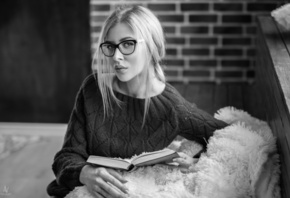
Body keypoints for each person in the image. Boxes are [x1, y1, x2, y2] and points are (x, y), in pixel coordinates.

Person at [47, 5, 228, 198]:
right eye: (110, 46)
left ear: (152, 46)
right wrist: (84, 173)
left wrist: (196, 163)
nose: (116, 57)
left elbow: (229, 136)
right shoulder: (93, 88)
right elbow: (66, 157)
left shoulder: (171, 107)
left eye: (127, 44)